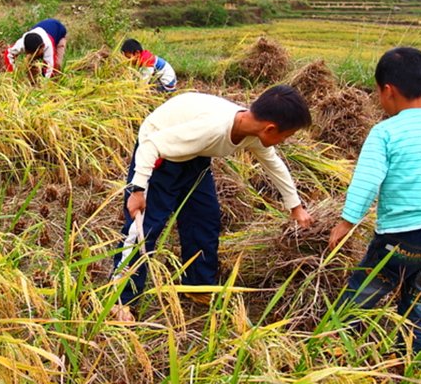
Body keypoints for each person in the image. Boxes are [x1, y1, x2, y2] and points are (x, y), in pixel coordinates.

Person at [111, 85, 314, 321]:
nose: (283, 141)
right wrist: (137, 189)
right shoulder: (213, 128)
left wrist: (295, 207)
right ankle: (121, 298)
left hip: (194, 156)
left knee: (204, 219)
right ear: (270, 128)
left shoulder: (252, 130)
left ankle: (197, 285)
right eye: (285, 136)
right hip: (159, 154)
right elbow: (151, 145)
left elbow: (274, 165)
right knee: (145, 228)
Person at [328, 47, 421, 355]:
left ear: (387, 90)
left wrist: (346, 223)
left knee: (360, 297)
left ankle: (335, 348)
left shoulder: (385, 132)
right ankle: (411, 361)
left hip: (400, 241)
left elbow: (367, 181)